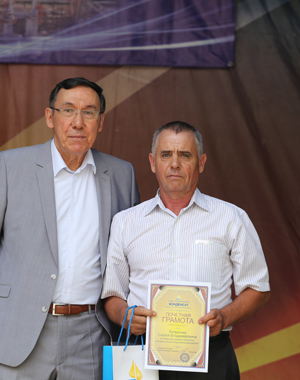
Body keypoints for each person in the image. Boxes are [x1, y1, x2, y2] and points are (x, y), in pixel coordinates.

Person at [0, 77, 140, 379]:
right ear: (50, 117)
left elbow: (133, 257)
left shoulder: (121, 174)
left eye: (89, 112)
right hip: (18, 332)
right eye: (68, 110)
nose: (78, 122)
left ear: (101, 122)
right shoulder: (11, 166)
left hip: (91, 336)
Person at [102, 121, 270, 379]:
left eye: (185, 155)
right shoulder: (125, 222)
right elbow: (112, 296)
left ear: (201, 162)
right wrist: (125, 315)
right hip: (142, 356)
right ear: (152, 162)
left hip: (211, 354)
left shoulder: (231, 218)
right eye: (165, 154)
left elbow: (258, 287)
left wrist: (224, 317)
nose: (175, 164)